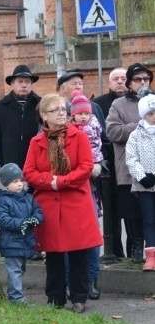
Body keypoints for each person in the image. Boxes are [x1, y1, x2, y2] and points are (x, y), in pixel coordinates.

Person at [24, 93, 103, 313]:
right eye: (55, 110)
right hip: (49, 203)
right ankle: (55, 298)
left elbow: (86, 166)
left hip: (75, 201)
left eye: (63, 109)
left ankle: (79, 297)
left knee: (78, 253)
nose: (61, 113)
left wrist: (63, 181)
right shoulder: (36, 141)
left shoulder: (79, 137)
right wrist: (51, 182)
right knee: (54, 254)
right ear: (43, 116)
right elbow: (29, 171)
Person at [106, 63, 154, 262]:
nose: (142, 82)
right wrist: (140, 125)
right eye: (137, 79)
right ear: (128, 83)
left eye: (146, 79)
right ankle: (136, 246)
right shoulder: (119, 104)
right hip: (129, 169)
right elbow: (112, 132)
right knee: (132, 213)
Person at [69, 91, 105, 299]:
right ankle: (73, 281)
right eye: (79, 113)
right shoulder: (67, 132)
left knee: (92, 236)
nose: (83, 117)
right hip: (71, 187)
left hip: (90, 188)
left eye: (86, 113)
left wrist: (98, 164)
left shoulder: (94, 128)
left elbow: (102, 147)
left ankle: (92, 280)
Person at [0, 163, 43, 304]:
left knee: (20, 269)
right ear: (5, 184)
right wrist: (22, 223)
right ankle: (17, 297)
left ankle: (13, 294)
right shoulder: (2, 201)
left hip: (25, 241)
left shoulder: (28, 198)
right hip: (11, 243)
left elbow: (38, 211)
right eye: (15, 182)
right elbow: (3, 219)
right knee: (14, 270)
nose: (19, 184)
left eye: (21, 181)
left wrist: (35, 220)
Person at [93, 67, 127, 258]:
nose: (120, 81)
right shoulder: (98, 104)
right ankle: (114, 252)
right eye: (116, 78)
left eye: (123, 78)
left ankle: (135, 251)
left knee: (133, 216)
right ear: (109, 83)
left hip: (130, 167)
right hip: (108, 167)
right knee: (111, 212)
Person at [0, 64, 41, 168]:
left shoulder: (40, 105)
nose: (24, 85)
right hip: (8, 165)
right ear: (12, 84)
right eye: (20, 81)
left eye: (27, 82)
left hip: (35, 164)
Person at [124, 96, 155, 271]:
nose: (154, 116)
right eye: (150, 113)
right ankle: (151, 256)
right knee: (149, 219)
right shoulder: (135, 135)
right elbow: (131, 158)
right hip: (145, 185)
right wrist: (142, 176)